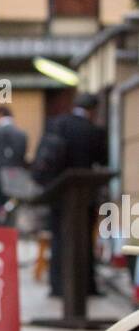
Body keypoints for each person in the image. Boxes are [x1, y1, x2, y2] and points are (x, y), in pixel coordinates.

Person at [35, 91, 108, 298]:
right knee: (84, 241)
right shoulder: (93, 131)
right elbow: (102, 160)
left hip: (58, 194)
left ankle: (58, 286)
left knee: (58, 239)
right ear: (92, 110)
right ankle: (84, 286)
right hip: (84, 196)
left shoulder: (57, 124)